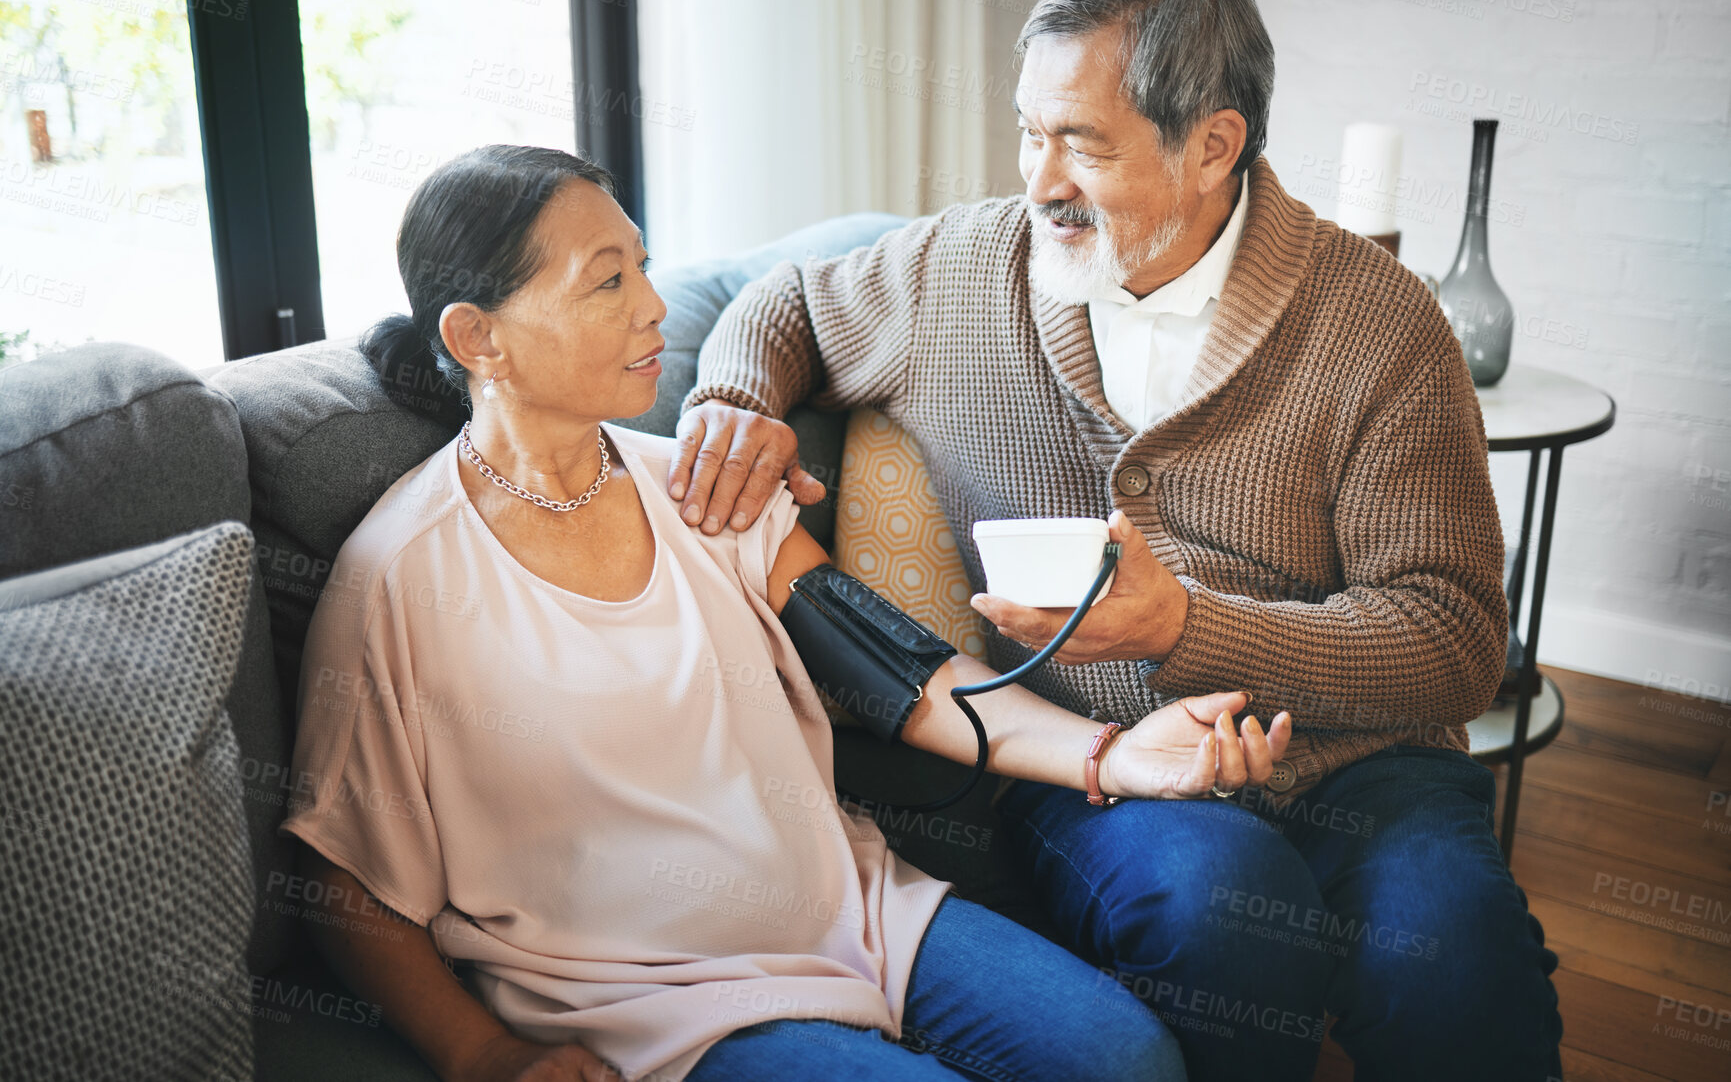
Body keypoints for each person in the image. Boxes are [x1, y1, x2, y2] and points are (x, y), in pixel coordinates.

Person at [667, 0, 1564, 1082]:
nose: (1040, 179)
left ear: (1213, 146)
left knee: (1459, 968)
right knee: (1224, 916)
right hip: (1112, 767)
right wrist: (738, 398)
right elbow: (780, 301)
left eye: (1082, 144)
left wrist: (1183, 629)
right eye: (1032, 132)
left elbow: (1454, 646)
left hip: (1365, 761)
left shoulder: (1381, 325)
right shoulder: (965, 269)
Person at [279, 143, 1296, 1082]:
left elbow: (911, 681)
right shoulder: (402, 577)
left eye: (642, 266)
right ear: (476, 336)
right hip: (644, 1001)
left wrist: (1113, 756)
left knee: (1129, 1062)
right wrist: (482, 1056)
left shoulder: (705, 490)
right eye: (607, 282)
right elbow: (345, 876)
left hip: (852, 912)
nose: (652, 310)